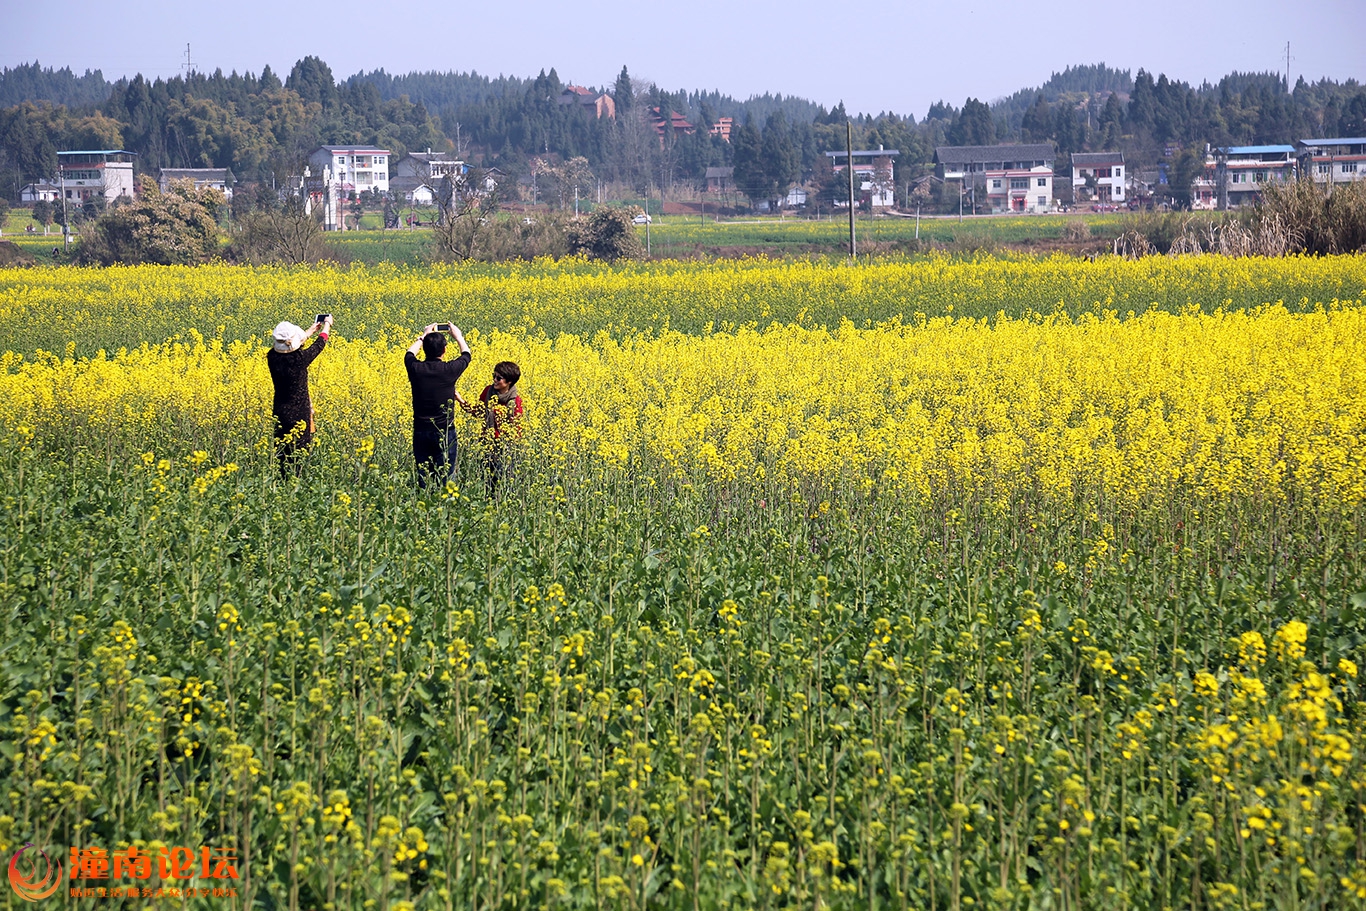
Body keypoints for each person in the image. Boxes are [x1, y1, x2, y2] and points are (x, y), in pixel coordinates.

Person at [405, 322, 471, 486]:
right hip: (445, 431)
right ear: (444, 350)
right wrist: (458, 336)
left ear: (425, 349)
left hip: (420, 431)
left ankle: (425, 507)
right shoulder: (449, 370)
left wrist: (423, 336)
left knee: (424, 478)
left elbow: (409, 353)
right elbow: (466, 355)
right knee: (446, 478)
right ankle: (446, 509)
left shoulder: (416, 369)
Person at [267, 316, 331, 475]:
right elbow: (320, 344)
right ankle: (296, 485)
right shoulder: (299, 359)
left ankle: (281, 486)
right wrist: (327, 325)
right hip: (299, 414)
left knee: (282, 454)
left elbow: (289, 347)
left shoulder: (272, 357)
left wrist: (310, 330)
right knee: (299, 457)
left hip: (279, 412)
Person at [454, 361, 523, 496]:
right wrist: (460, 400)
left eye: (498, 378)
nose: (494, 380)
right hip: (486, 443)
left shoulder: (514, 401)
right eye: (494, 376)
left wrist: (506, 443)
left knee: (503, 479)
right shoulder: (488, 392)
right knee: (487, 479)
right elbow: (478, 412)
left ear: (509, 381)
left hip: (504, 446)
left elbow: (516, 428)